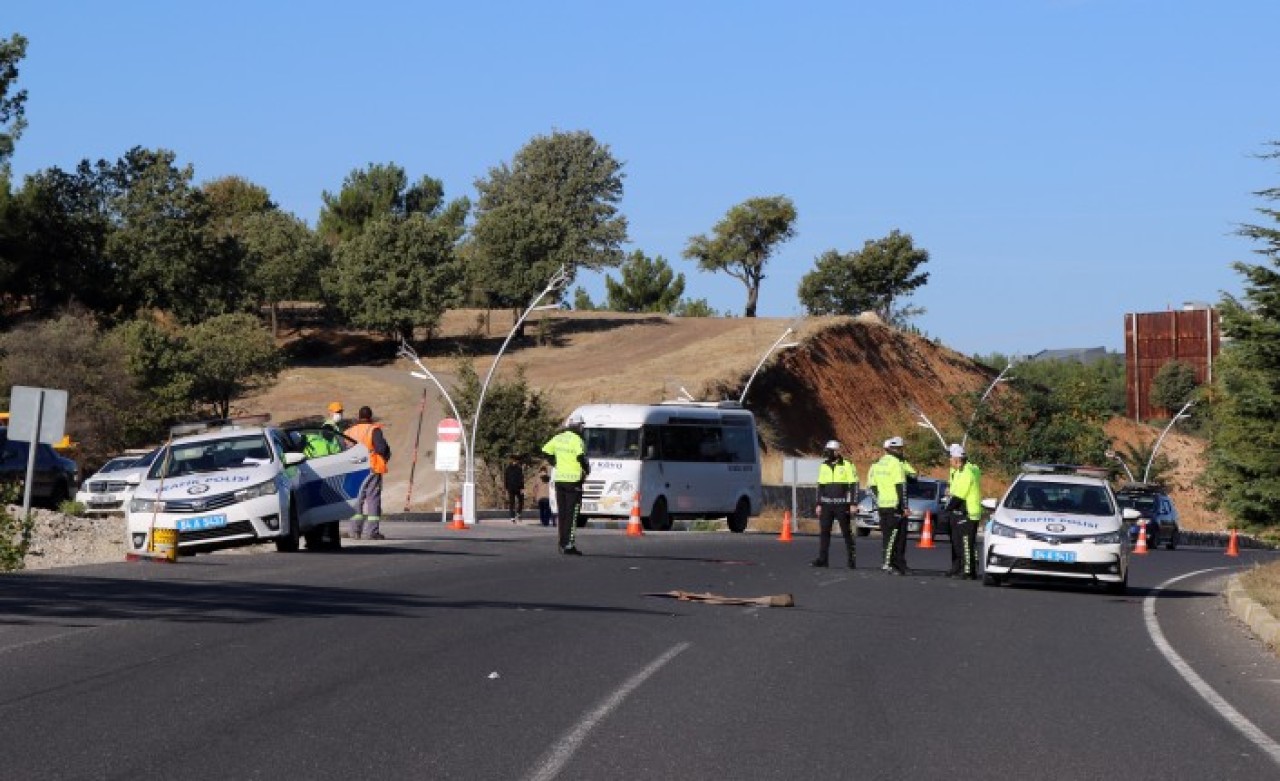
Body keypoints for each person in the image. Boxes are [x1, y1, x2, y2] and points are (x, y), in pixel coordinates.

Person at [541, 413, 590, 555]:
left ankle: (562, 543)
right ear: (579, 426)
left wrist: (553, 462)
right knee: (572, 513)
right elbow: (581, 456)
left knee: (562, 514)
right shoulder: (577, 440)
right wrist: (587, 469)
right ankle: (569, 544)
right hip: (573, 481)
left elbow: (545, 450)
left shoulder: (559, 438)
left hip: (560, 480)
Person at [869, 436, 916, 575]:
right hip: (896, 506)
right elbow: (902, 487)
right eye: (901, 449)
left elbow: (871, 487)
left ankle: (889, 562)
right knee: (899, 538)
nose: (902, 451)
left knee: (887, 537)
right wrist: (905, 507)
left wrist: (879, 502)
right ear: (897, 449)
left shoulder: (876, 464)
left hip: (883, 506)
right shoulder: (897, 464)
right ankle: (892, 564)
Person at [344, 406, 391, 540]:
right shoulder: (373, 430)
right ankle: (371, 532)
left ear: (358, 417)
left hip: (353, 469)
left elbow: (342, 449)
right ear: (370, 417)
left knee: (356, 499)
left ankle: (354, 531)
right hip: (371, 467)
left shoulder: (348, 431)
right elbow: (381, 448)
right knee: (372, 499)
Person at [812, 439, 858, 569]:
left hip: (842, 504)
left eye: (830, 451)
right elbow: (820, 486)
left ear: (837, 452)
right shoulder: (823, 465)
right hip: (826, 505)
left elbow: (854, 484)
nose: (828, 454)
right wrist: (818, 504)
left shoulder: (847, 465)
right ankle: (823, 559)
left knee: (846, 532)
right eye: (827, 451)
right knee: (824, 532)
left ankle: (851, 559)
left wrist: (853, 503)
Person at [945, 443, 983, 579]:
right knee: (958, 543)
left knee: (966, 544)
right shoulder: (958, 472)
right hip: (960, 511)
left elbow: (959, 496)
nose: (949, 461)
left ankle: (967, 571)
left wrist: (947, 509)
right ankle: (960, 568)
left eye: (951, 458)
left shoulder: (967, 473)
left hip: (968, 513)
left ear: (957, 460)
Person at [504, 455, 525, 523]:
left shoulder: (518, 468)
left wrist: (522, 488)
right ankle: (512, 516)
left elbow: (521, 479)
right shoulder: (508, 469)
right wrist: (506, 488)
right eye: (515, 460)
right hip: (512, 488)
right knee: (512, 502)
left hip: (518, 488)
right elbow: (506, 479)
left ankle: (518, 513)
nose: (515, 462)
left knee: (521, 501)